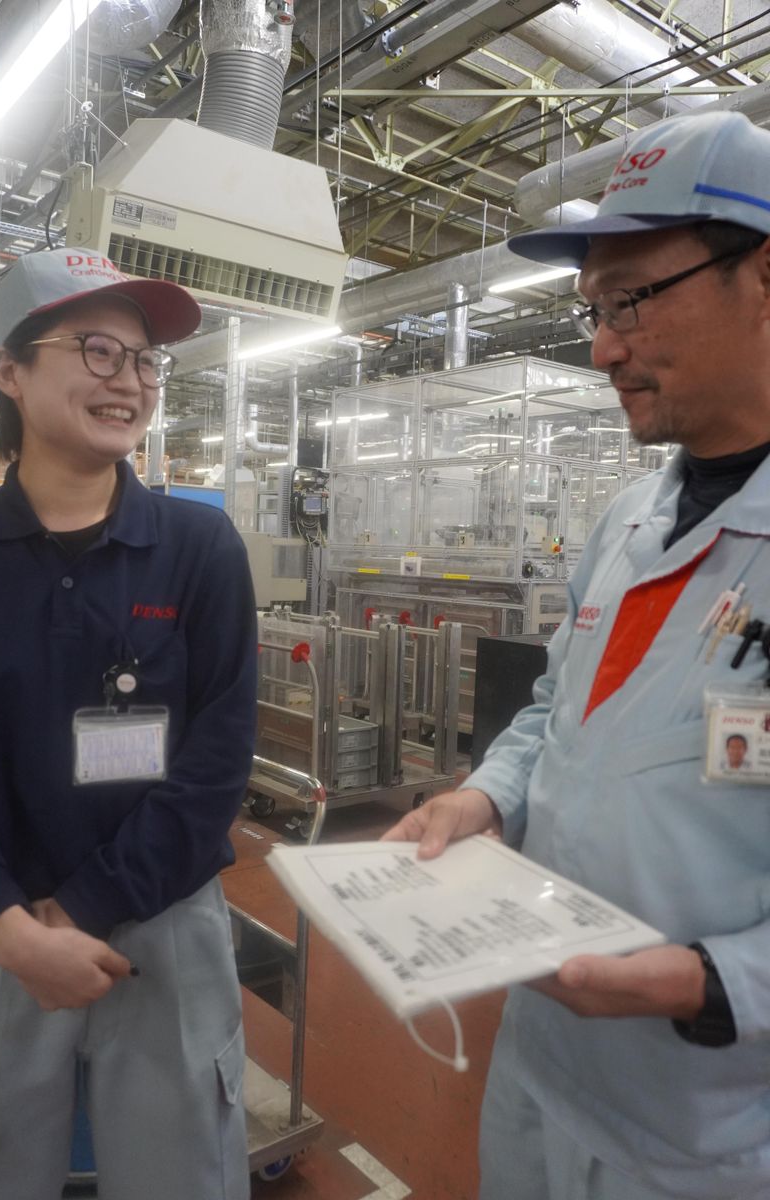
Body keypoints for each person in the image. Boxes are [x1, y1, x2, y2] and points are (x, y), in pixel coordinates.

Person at [384, 109, 770, 1200]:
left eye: (632, 299)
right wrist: (487, 797)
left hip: (710, 1131)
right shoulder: (627, 520)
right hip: (540, 1067)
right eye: (593, 309)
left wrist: (707, 983)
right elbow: (557, 710)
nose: (602, 347)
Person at [0, 248, 257, 1200]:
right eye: (96, 350)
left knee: (182, 1170)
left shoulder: (199, 548)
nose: (129, 380)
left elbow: (218, 757)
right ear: (9, 372)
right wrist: (7, 926)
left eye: (144, 360)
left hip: (165, 920)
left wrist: (88, 904)